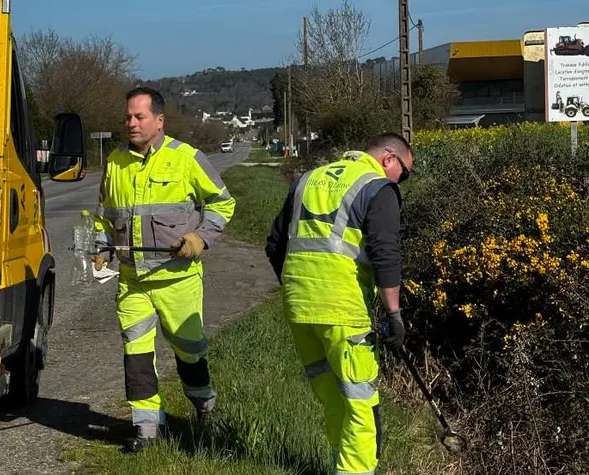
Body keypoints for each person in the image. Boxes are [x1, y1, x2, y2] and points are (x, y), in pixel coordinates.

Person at [93, 86, 237, 453]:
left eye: (139, 116)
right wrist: (99, 248)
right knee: (137, 354)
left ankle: (205, 407)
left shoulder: (186, 158)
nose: (131, 123)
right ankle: (146, 432)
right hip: (133, 281)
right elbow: (105, 216)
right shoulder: (114, 162)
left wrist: (200, 239)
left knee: (189, 351)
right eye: (127, 116)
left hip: (178, 279)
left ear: (159, 120)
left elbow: (223, 203)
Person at [264, 133, 413, 475]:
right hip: (344, 311)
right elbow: (385, 255)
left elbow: (274, 245)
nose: (401, 181)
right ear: (389, 159)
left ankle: (339, 465)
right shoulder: (377, 187)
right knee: (361, 403)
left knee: (330, 396)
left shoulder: (307, 179)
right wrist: (395, 314)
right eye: (404, 173)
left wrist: (297, 288)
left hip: (299, 308)